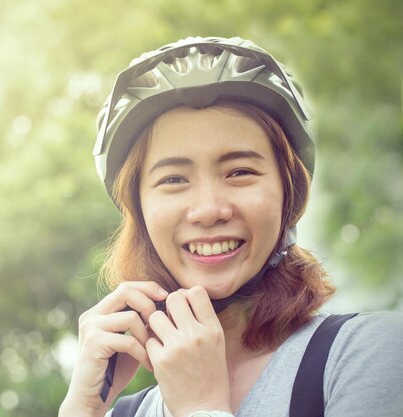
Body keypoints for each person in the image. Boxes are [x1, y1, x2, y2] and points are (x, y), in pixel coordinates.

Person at [58, 37, 403, 417]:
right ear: (139, 212)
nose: (208, 210)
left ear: (288, 196)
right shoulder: (127, 412)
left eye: (240, 172)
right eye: (173, 179)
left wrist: (201, 409)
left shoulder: (369, 353)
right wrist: (81, 410)